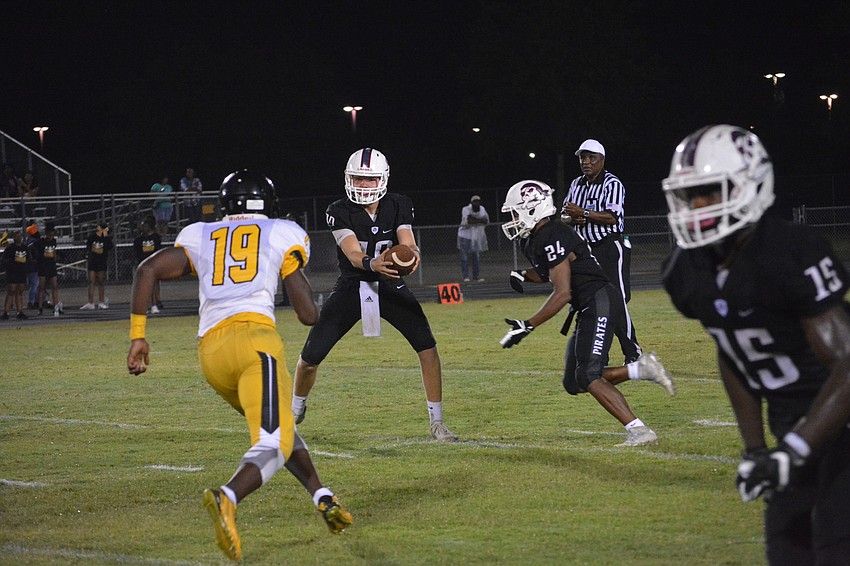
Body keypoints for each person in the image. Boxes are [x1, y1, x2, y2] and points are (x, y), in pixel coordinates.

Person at [126, 169, 352, 561]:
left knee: (277, 428)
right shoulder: (281, 231)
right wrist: (289, 267)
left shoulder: (201, 233)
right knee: (274, 440)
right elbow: (308, 315)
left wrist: (138, 336)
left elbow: (147, 270)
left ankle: (322, 496)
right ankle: (227, 497)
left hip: (212, 356)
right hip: (254, 345)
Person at [660, 125, 850, 564]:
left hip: (840, 421)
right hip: (793, 424)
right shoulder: (685, 271)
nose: (698, 206)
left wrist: (796, 449)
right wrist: (755, 450)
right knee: (786, 550)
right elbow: (732, 350)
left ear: (751, 183)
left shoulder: (791, 251)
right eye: (690, 195)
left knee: (836, 547)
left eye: (710, 191)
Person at [292, 148, 457, 442]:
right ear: (348, 178)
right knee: (310, 359)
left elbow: (407, 241)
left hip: (390, 285)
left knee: (427, 348)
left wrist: (413, 255)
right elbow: (352, 252)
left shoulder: (398, 204)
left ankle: (437, 421)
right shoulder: (338, 210)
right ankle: (294, 411)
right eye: (358, 178)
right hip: (352, 286)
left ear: (383, 179)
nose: (364, 185)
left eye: (370, 179)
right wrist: (372, 263)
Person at [500, 180, 674, 446]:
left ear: (531, 208)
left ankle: (640, 431)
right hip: (589, 305)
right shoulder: (536, 239)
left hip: (598, 299)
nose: (513, 219)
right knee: (574, 382)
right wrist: (523, 274)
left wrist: (528, 324)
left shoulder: (554, 233)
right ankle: (641, 369)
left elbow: (562, 292)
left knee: (588, 375)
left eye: (515, 212)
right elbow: (548, 272)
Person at [561, 139, 642, 364]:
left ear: (602, 160)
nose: (586, 162)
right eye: (583, 158)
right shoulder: (576, 184)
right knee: (591, 301)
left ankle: (633, 352)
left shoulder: (612, 183)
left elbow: (612, 217)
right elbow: (565, 214)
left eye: (591, 158)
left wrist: (583, 214)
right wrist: (572, 217)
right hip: (585, 251)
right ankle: (599, 355)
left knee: (616, 300)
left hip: (609, 247)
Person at [133, 215, 163, 313]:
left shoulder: (155, 238)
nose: (143, 227)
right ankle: (144, 306)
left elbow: (158, 250)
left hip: (153, 265)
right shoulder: (138, 240)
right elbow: (137, 253)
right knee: (143, 287)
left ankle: (154, 304)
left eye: (145, 226)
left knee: (153, 285)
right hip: (143, 265)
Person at [80, 223, 113, 310]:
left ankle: (101, 302)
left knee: (101, 282)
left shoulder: (106, 239)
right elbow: (88, 248)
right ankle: (90, 302)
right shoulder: (92, 237)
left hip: (101, 262)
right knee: (91, 281)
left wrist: (105, 237)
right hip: (92, 262)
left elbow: (110, 247)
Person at [457, 194, 489, 282]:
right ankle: (465, 276)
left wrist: (474, 219)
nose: (477, 203)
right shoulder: (466, 209)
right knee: (464, 258)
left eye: (478, 202)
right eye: (475, 202)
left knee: (476, 257)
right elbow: (469, 221)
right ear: (471, 202)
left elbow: (486, 220)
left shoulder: (482, 209)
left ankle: (476, 277)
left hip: (475, 237)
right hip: (465, 236)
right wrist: (479, 220)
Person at [36, 221, 63, 316]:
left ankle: (56, 306)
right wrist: (37, 259)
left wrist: (55, 259)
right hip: (43, 266)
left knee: (54, 286)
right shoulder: (41, 242)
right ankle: (40, 307)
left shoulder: (53, 241)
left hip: (51, 266)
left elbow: (54, 252)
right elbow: (32, 248)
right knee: (41, 287)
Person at [1, 231, 28, 320]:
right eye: (17, 236)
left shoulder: (24, 248)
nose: (19, 238)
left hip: (22, 272)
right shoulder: (10, 248)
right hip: (13, 273)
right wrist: (11, 266)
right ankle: (6, 312)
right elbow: (4, 260)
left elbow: (28, 259)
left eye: (20, 236)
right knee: (11, 291)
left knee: (19, 292)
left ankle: (20, 311)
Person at [24, 222, 43, 309]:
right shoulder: (33, 241)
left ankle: (37, 301)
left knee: (36, 284)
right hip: (33, 266)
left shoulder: (31, 240)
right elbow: (29, 249)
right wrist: (32, 259)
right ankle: (31, 302)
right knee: (34, 285)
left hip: (32, 265)